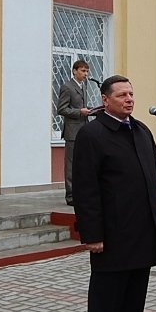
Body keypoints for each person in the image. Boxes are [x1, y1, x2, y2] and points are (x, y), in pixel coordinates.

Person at [72, 75, 156, 312]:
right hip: (112, 234)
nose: (129, 99)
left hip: (143, 231)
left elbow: (153, 177)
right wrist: (92, 234)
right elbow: (85, 189)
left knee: (134, 297)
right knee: (106, 299)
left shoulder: (141, 131)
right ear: (105, 100)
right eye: (122, 95)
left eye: (131, 94)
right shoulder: (92, 134)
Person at [57, 59, 93, 206]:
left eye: (87, 71)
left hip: (83, 130)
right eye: (83, 71)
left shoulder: (83, 86)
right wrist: (80, 112)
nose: (86, 74)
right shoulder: (67, 87)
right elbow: (61, 109)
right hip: (72, 132)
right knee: (71, 165)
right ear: (74, 71)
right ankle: (71, 196)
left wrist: (92, 110)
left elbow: (82, 106)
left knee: (83, 163)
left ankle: (81, 193)